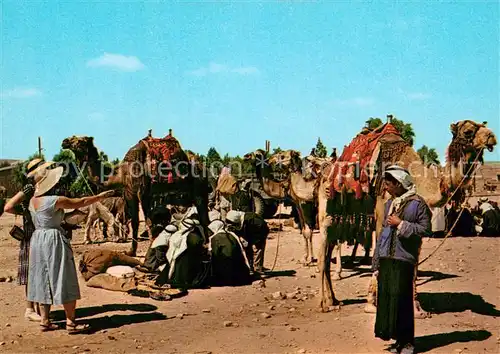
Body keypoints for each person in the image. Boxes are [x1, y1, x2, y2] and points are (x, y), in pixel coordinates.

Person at [27, 165, 114, 332]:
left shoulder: (32, 201)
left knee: (41, 277)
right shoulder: (55, 200)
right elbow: (80, 202)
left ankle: (45, 320)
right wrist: (99, 197)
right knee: (63, 275)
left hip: (38, 239)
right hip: (53, 239)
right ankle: (70, 322)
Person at [372, 165, 432, 354]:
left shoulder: (418, 203)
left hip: (403, 258)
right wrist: (376, 260)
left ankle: (408, 343)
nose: (386, 187)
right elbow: (382, 233)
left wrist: (402, 224)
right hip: (387, 258)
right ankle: (398, 340)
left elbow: (425, 229)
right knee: (388, 300)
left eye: (389, 184)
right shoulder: (391, 203)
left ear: (399, 184)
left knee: (403, 302)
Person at [3, 158, 54, 322]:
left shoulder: (44, 189)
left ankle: (36, 308)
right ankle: (30, 308)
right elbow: (8, 207)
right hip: (31, 235)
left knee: (39, 273)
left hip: (40, 234)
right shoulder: (30, 190)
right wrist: (25, 204)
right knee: (32, 274)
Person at [225, 210, 270, 274]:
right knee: (247, 249)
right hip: (248, 233)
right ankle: (250, 267)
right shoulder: (235, 221)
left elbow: (263, 229)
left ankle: (257, 268)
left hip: (259, 233)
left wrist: (256, 241)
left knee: (258, 249)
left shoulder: (253, 220)